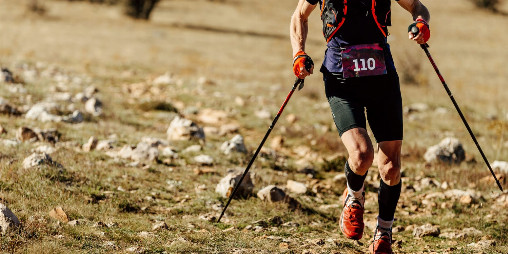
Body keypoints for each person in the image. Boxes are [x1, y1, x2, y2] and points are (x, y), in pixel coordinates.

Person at [290, 0, 430, 253]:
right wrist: (298, 52)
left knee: (391, 167)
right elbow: (299, 16)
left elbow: (418, 7)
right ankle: (354, 197)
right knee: (362, 154)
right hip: (341, 79)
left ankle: (384, 230)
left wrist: (421, 24)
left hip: (381, 78)